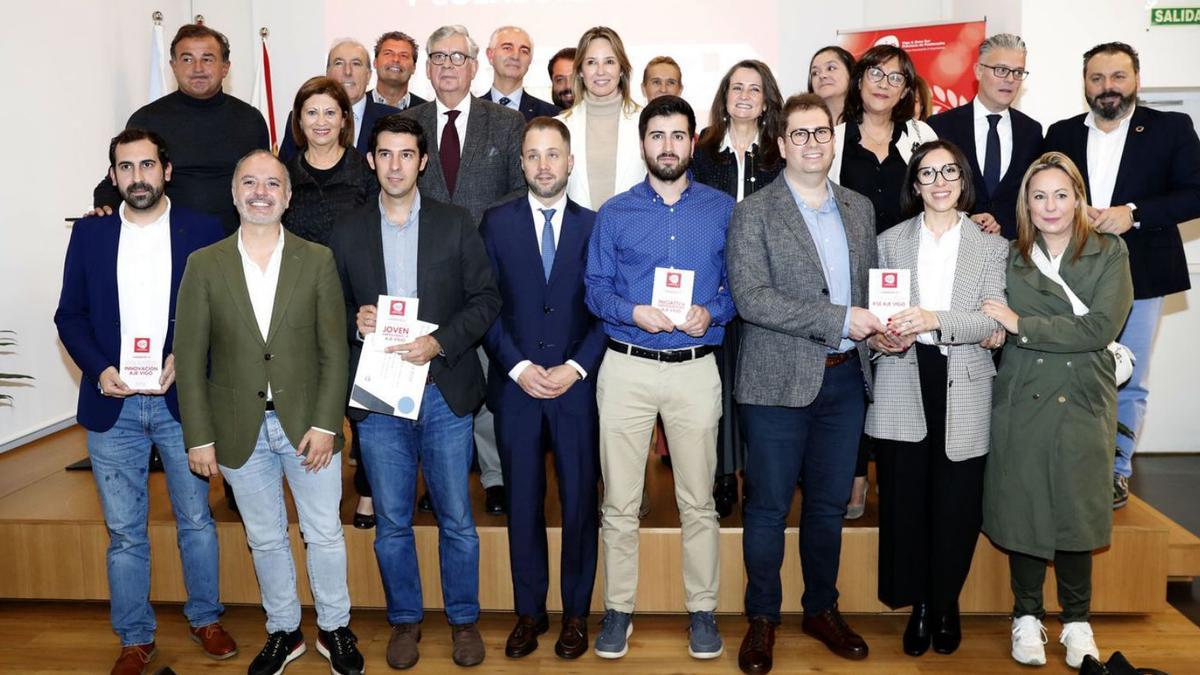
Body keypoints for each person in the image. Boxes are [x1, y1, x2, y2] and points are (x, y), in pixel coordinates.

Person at [174, 150, 362, 675]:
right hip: (237, 431)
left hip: (309, 428)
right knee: (265, 537)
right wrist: (199, 436)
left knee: (324, 532)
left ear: (288, 196)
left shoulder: (317, 259)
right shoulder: (203, 264)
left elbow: (334, 351)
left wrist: (328, 423)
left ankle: (334, 628)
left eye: (272, 183)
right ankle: (284, 631)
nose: (261, 192)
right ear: (234, 194)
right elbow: (189, 360)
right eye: (250, 183)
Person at [55, 129, 232, 675]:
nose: (138, 177)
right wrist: (100, 370)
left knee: (196, 521)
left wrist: (186, 354)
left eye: (147, 165)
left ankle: (206, 618)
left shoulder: (203, 230)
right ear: (113, 177)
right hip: (115, 405)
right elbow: (71, 316)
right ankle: (135, 638)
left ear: (167, 171)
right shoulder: (91, 235)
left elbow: (224, 312)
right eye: (126, 168)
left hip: (184, 401)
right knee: (125, 531)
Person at [328, 114, 501, 669]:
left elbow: (485, 300)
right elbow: (328, 309)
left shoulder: (455, 224)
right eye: (385, 154)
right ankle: (405, 622)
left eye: (407, 154)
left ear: (422, 162)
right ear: (371, 160)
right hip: (378, 395)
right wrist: (355, 322)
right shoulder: (348, 231)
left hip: (442, 389)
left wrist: (440, 343)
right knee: (394, 520)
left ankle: (464, 621)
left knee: (456, 516)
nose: (396, 164)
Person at [727, 93, 884, 672]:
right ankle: (762, 618)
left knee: (827, 508)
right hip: (775, 384)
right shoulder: (754, 212)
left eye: (821, 132)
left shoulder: (860, 208)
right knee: (766, 509)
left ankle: (822, 609)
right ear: (781, 143)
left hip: (846, 383)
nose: (812, 143)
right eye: (799, 134)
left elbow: (868, 292)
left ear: (833, 139)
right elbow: (753, 299)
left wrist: (879, 329)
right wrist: (841, 319)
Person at [585, 95, 734, 661]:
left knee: (699, 501)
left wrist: (712, 312)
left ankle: (703, 610)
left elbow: (737, 288)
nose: (667, 146)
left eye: (678, 135)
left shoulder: (722, 210)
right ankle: (618, 609)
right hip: (625, 366)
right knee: (619, 503)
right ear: (643, 143)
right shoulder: (616, 213)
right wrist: (631, 310)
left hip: (695, 369)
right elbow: (595, 288)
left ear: (692, 142)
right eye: (657, 136)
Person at [981, 151, 1134, 668]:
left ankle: (1076, 621)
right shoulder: (1006, 254)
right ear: (1026, 201)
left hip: (1083, 393)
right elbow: (991, 318)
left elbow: (1100, 329)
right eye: (1039, 195)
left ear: (1078, 199)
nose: (1050, 206)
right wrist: (1003, 326)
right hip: (1024, 389)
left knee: (1076, 508)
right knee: (1025, 504)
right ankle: (1026, 616)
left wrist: (1023, 323)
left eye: (1061, 195)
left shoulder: (1109, 252)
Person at [865, 140, 1008, 658]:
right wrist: (881, 337)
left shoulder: (992, 247)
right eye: (928, 173)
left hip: (965, 380)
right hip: (903, 377)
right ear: (916, 184)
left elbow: (994, 320)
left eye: (949, 171)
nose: (940, 181)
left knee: (956, 505)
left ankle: (946, 604)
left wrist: (933, 319)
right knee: (905, 502)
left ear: (963, 180)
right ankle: (919, 605)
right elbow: (875, 316)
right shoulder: (888, 242)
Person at [1043, 42, 1200, 507]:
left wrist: (1133, 213)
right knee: (1069, 371)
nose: (1107, 87)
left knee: (1128, 374)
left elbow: (1195, 193)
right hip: (1071, 274)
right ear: (1085, 84)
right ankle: (1072, 462)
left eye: (1118, 77)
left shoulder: (1171, 128)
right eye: (1097, 78)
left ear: (1136, 80)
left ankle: (1115, 469)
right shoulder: (1061, 133)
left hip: (1144, 273)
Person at [479, 116, 604, 660]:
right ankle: (529, 612)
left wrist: (577, 366)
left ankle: (576, 613)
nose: (544, 165)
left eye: (554, 154)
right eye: (533, 155)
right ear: (521, 162)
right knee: (523, 505)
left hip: (577, 388)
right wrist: (517, 366)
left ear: (570, 162)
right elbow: (483, 304)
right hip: (517, 388)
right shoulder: (494, 223)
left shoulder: (596, 225)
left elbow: (607, 308)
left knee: (580, 504)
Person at [400, 24, 527, 515]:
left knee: (491, 379)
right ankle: (440, 476)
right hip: (427, 278)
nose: (448, 66)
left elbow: (520, 194)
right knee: (439, 380)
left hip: (488, 275)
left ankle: (494, 476)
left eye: (458, 57)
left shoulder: (506, 123)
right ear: (427, 67)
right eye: (439, 57)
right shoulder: (408, 124)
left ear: (476, 66)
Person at [829, 44, 936, 518]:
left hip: (905, 273)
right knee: (853, 374)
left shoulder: (919, 136)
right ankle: (854, 473)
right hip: (846, 273)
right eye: (875, 72)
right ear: (860, 78)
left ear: (906, 91)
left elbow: (939, 195)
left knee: (895, 374)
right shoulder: (833, 135)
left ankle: (887, 472)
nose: (883, 83)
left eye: (896, 78)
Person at [279, 75, 380, 529]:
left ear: (345, 119)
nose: (321, 121)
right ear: (299, 121)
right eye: (311, 112)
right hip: (297, 306)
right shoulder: (283, 174)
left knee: (362, 410)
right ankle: (316, 492)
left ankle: (368, 494)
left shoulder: (366, 171)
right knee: (309, 403)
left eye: (330, 112)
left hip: (356, 306)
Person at [691, 59, 785, 518]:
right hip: (714, 284)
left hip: (767, 284)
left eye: (754, 88)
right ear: (724, 97)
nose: (744, 95)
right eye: (736, 87)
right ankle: (722, 475)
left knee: (760, 385)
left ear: (767, 99)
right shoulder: (702, 150)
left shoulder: (780, 152)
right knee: (720, 385)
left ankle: (759, 479)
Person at [92, 23, 269, 235]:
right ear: (173, 66)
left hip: (237, 245)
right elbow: (120, 180)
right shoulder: (147, 120)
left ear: (225, 67)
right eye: (187, 59)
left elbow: (268, 183)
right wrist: (104, 208)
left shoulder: (250, 120)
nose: (197, 68)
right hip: (167, 245)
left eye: (207, 59)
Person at [928, 33, 1044, 239]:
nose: (1010, 79)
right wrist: (963, 219)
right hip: (956, 246)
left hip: (1015, 253)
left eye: (1018, 72)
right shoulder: (940, 127)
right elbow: (926, 192)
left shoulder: (1031, 131)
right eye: (1001, 70)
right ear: (979, 71)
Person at [556, 26, 646, 210]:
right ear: (580, 71)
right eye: (591, 62)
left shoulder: (647, 122)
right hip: (579, 236)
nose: (600, 71)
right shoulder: (559, 127)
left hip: (633, 233)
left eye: (610, 61)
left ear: (622, 69)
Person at [280, 38, 401, 162]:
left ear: (368, 75)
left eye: (356, 63)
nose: (347, 72)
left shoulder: (393, 118)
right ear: (327, 73)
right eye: (339, 63)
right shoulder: (303, 119)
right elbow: (287, 172)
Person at [483, 26, 561, 120]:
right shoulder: (469, 111)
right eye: (507, 48)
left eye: (524, 51)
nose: (515, 56)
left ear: (530, 60)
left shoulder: (553, 116)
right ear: (490, 55)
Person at [371, 31, 428, 110]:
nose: (396, 59)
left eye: (404, 56)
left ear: (414, 67)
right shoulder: (354, 106)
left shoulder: (427, 111)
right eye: (388, 53)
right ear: (375, 62)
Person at [807, 45, 855, 125]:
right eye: (815, 73)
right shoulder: (805, 125)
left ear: (850, 73)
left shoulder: (868, 123)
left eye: (831, 68)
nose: (822, 76)